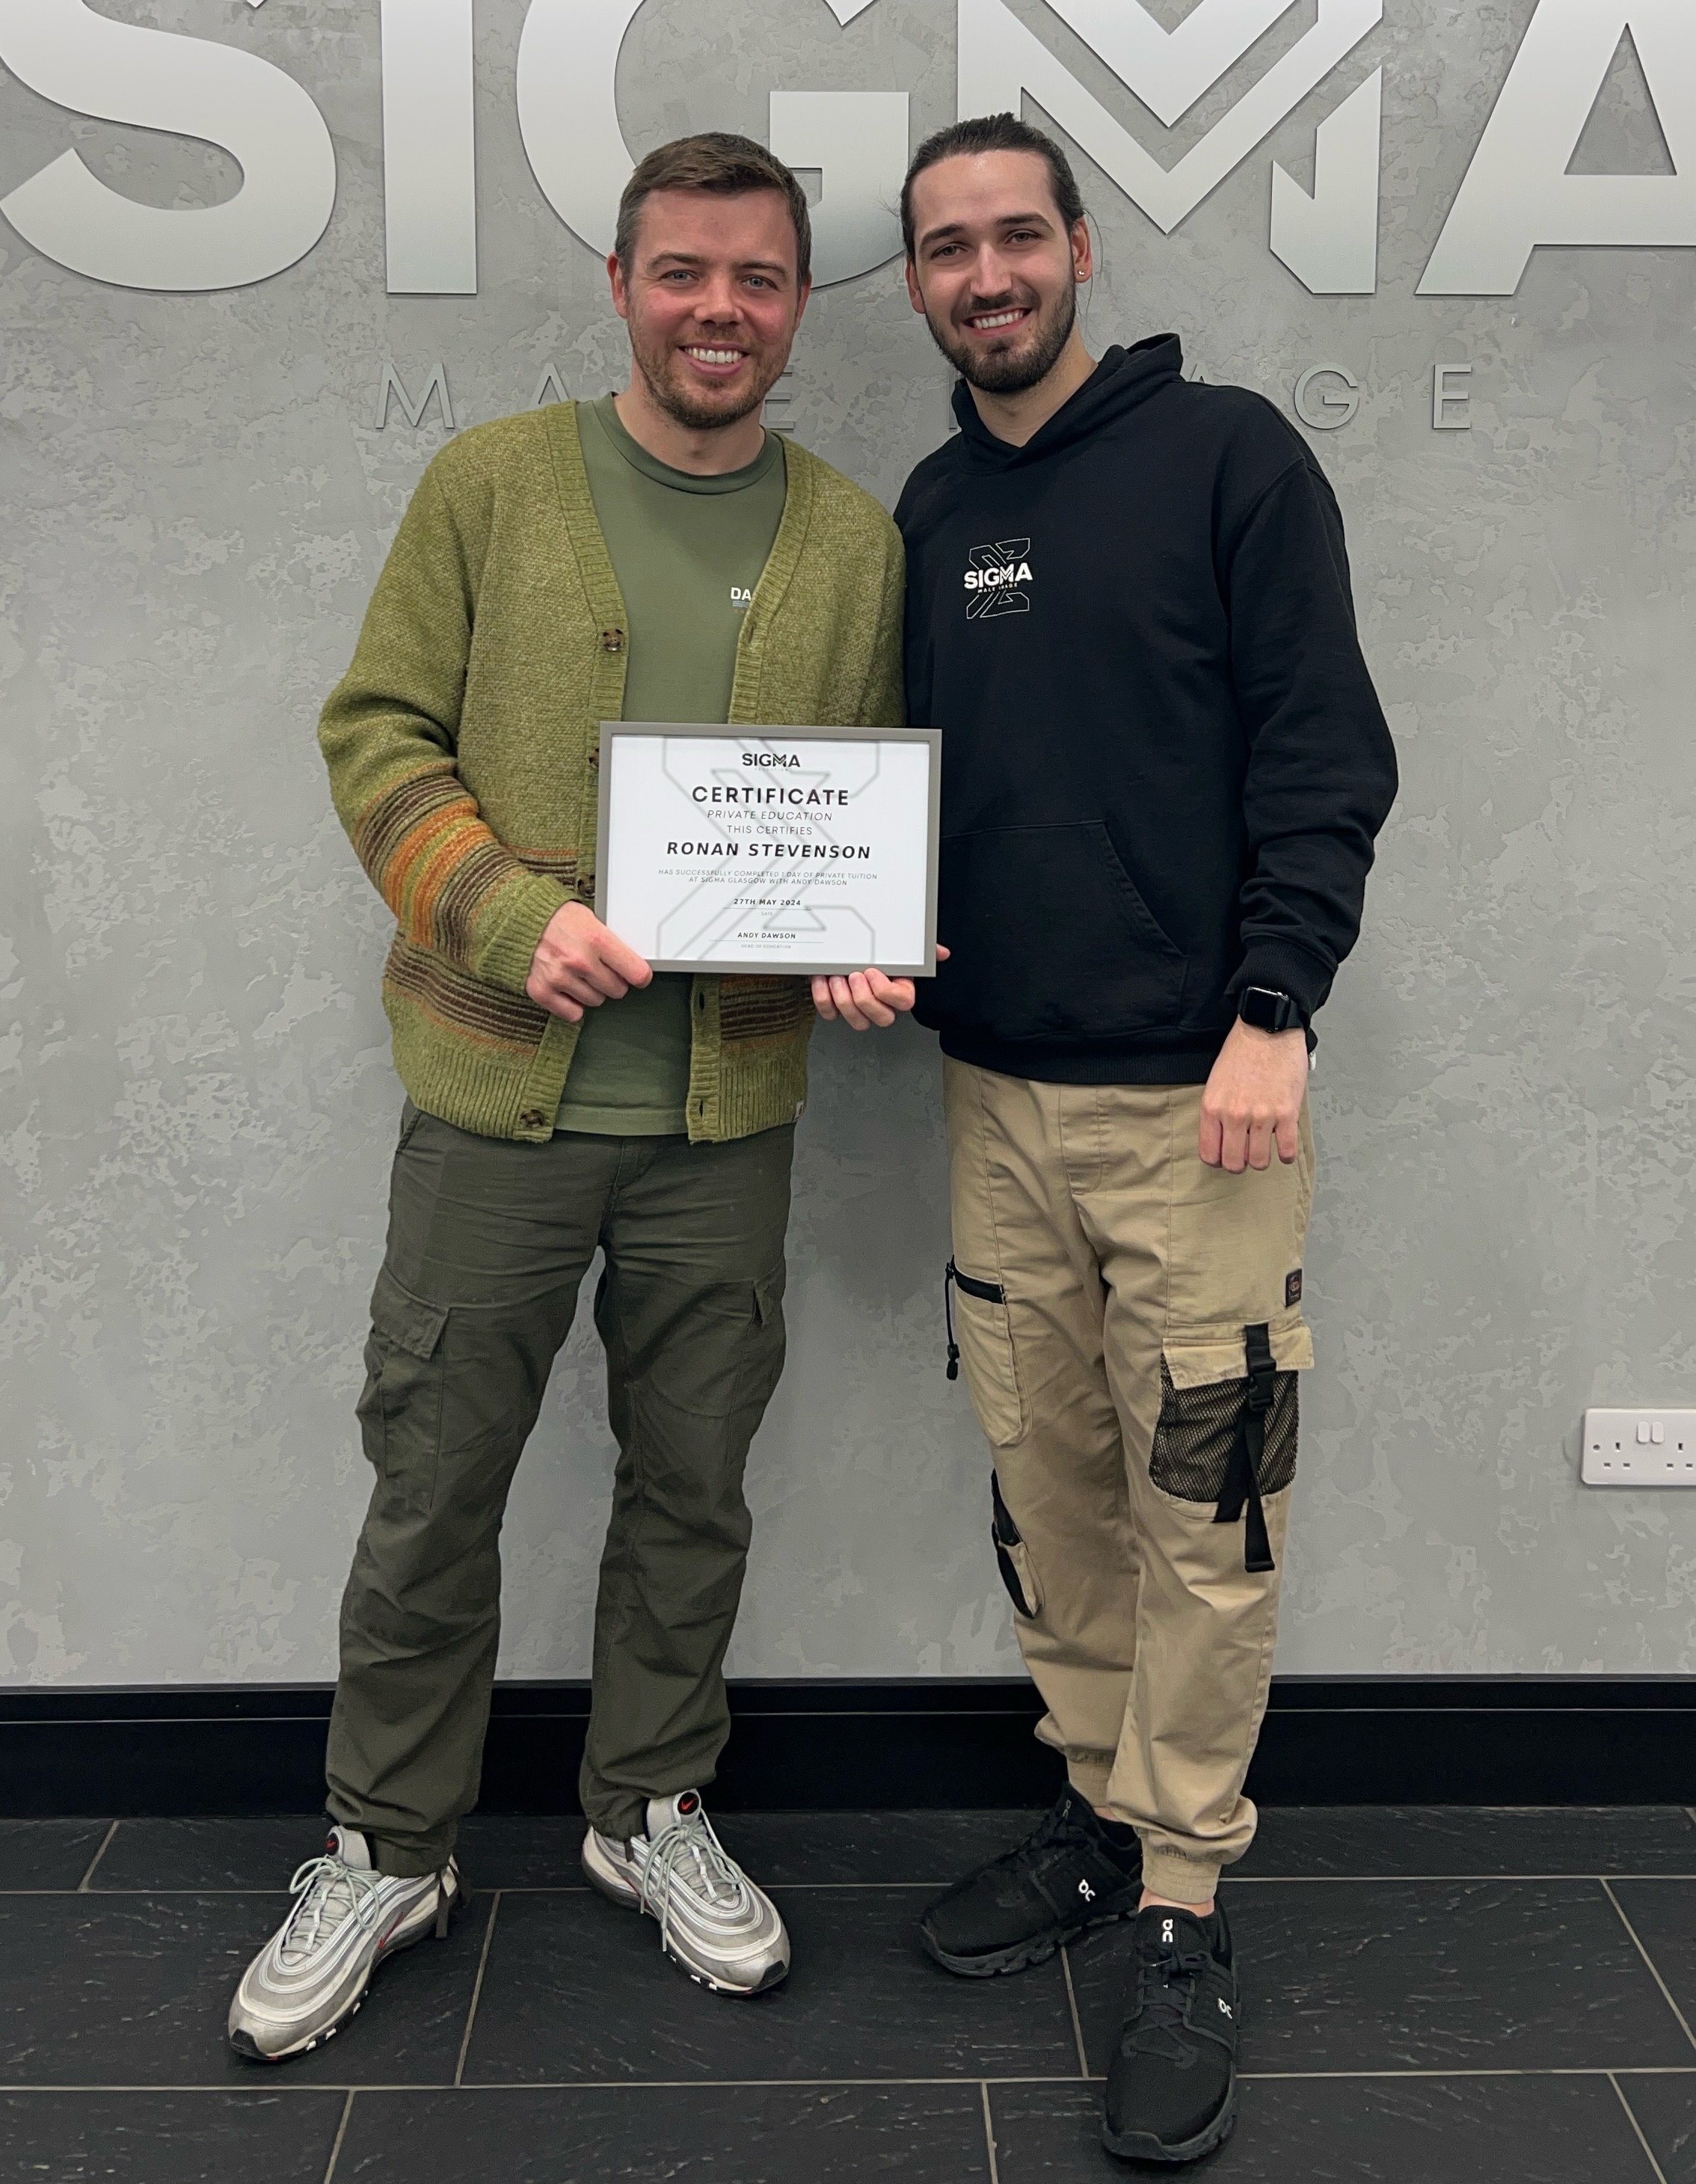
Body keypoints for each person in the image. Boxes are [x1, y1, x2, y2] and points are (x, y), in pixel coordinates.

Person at [230, 133, 915, 2063]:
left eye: (759, 281)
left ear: (798, 306)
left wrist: (860, 941)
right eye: (684, 273)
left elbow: (862, 809)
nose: (721, 310)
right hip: (494, 1103)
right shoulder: (494, 486)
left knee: (694, 1486)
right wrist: (503, 907)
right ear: (621, 282)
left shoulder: (854, 537)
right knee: (435, 1481)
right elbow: (377, 733)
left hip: (728, 1119)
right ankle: (389, 1845)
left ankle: (649, 1810)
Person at [894, 114, 1398, 2168]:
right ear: (918, 283)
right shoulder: (931, 504)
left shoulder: (1230, 460)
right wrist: (879, 951)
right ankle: (1102, 1815)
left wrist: (1277, 1002)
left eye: (1017, 236)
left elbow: (1321, 749)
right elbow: (920, 794)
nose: (987, 273)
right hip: (993, 1103)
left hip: (1203, 1106)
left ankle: (1184, 1898)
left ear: (1081, 251)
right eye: (948, 248)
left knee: (1209, 1512)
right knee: (1051, 1490)